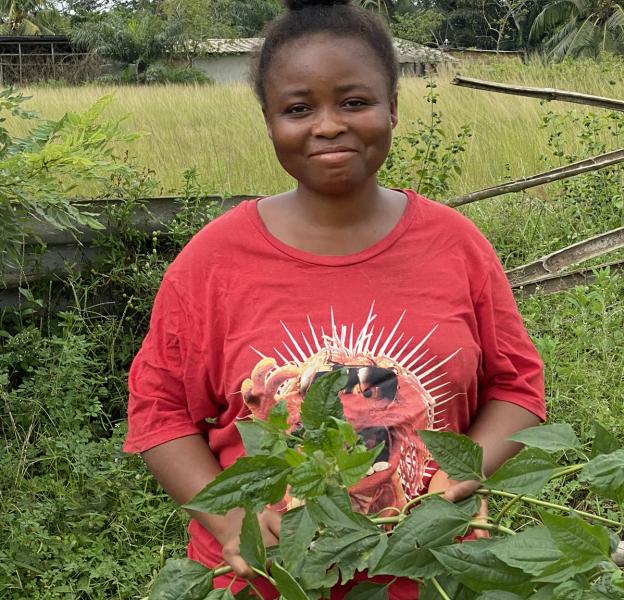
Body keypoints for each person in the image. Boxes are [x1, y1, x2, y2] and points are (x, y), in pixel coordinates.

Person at [123, 0, 546, 597]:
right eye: (299, 108)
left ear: (393, 108)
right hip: (273, 581)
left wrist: (457, 474)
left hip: (431, 575)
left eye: (354, 101)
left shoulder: (456, 245)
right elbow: (157, 410)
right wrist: (229, 519)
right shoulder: (212, 262)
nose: (327, 125)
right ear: (269, 121)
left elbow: (516, 385)